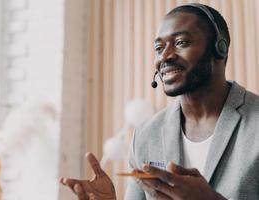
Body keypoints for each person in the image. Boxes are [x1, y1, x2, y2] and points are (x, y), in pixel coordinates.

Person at [60, 3, 259, 200]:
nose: (164, 56)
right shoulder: (146, 135)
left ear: (220, 49)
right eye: (158, 47)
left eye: (181, 42)